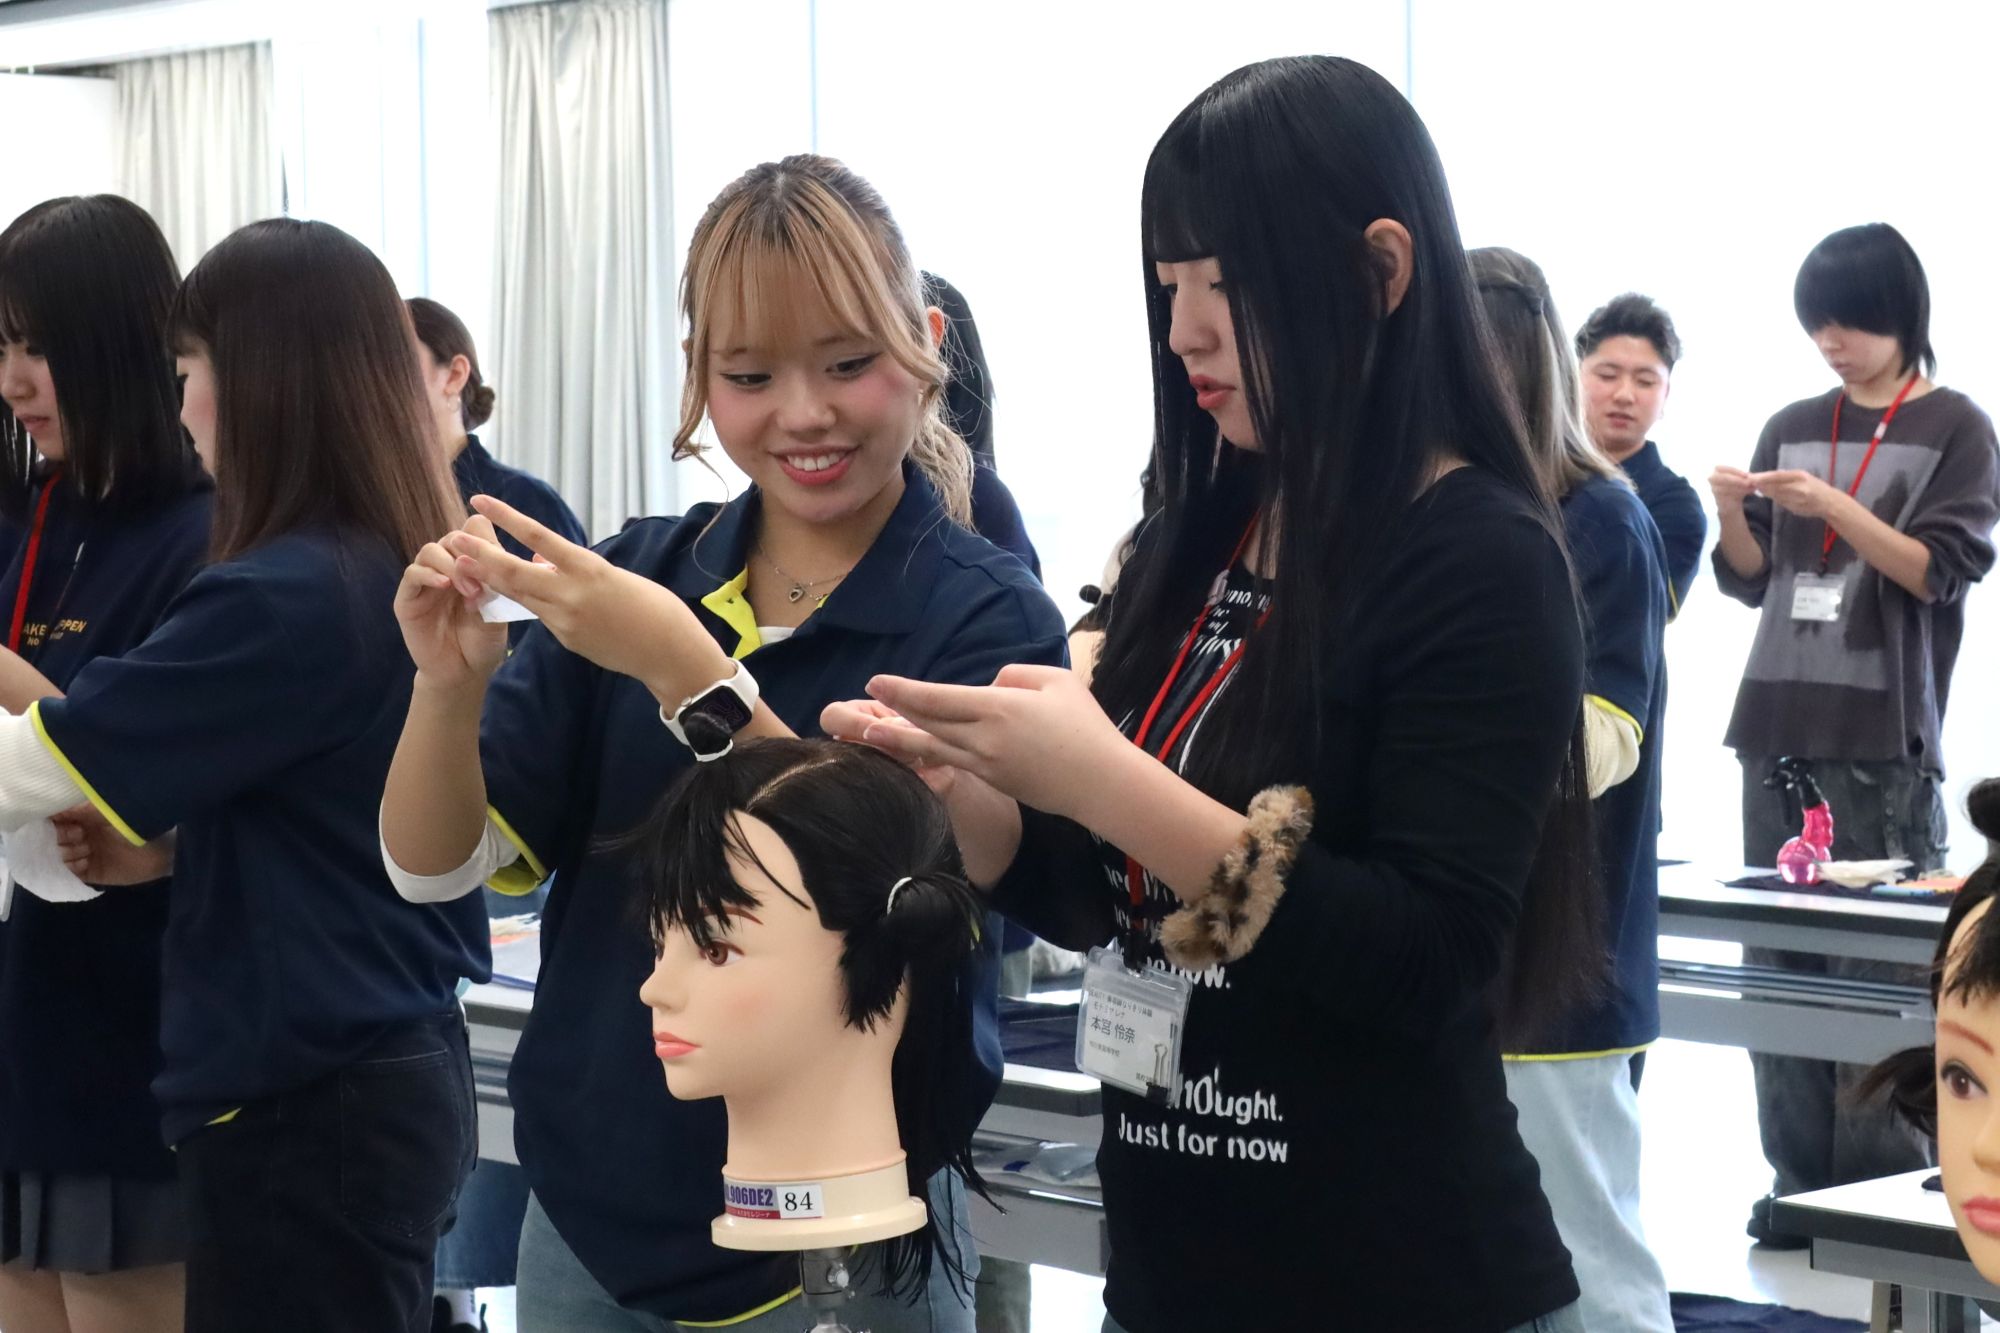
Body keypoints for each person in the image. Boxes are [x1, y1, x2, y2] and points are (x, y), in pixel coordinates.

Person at [827, 56, 1592, 1333]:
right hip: (1175, 1274)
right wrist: (971, 795)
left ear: (1379, 271)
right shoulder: (1205, 526)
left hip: (1401, 1284)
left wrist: (1104, 779)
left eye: (1224, 286)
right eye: (1168, 284)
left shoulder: (1476, 554)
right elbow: (1105, 899)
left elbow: (1422, 958)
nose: (1182, 330)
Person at [380, 154, 1066, 1332]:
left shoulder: (982, 615)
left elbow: (884, 908)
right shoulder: (641, 572)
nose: (803, 414)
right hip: (591, 1221)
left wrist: (688, 673)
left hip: (844, 1231)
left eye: (846, 363)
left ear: (925, 347)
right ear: (699, 374)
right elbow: (434, 870)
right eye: (749, 375)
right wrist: (444, 689)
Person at [0, 217, 487, 1333]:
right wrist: (178, 847)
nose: (179, 408)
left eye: (189, 374)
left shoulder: (280, 591)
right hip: (362, 1070)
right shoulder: (367, 558)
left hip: (305, 1093)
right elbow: (314, 814)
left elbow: (42, 762)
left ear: (256, 383)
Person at [1713, 223, 2000, 1244]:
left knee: (1876, 985)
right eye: (1817, 325)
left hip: (1881, 736)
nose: (1830, 342)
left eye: (1848, 322)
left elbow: (1937, 570)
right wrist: (1731, 513)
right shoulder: (1792, 422)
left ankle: (1870, 1202)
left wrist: (1835, 503)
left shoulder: (1957, 428)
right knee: (1775, 970)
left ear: (1900, 315)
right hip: (1774, 724)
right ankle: (1796, 1190)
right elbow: (1752, 578)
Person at [0, 194, 212, 1333]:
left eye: (38, 347)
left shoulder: (208, 535)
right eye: (1, 347)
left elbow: (126, 758)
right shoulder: (33, 515)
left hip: (133, 1046)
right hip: (24, 1028)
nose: (13, 382)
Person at [1471, 246, 1674, 1333]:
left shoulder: (1600, 518)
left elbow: (1604, 737)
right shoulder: (1449, 507)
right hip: (1459, 958)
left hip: (1562, 974)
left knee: (1588, 1273)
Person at [406, 295, 583, 1333]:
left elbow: (565, 683)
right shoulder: (375, 499)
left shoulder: (521, 508)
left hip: (512, 818)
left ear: (454, 372)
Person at [1576, 293, 1705, 615]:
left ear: (1666, 394)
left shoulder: (1675, 504)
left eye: (1645, 382)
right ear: (1573, 377)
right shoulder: (1532, 470)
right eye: (1607, 376)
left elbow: (1646, 611)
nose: (1625, 395)